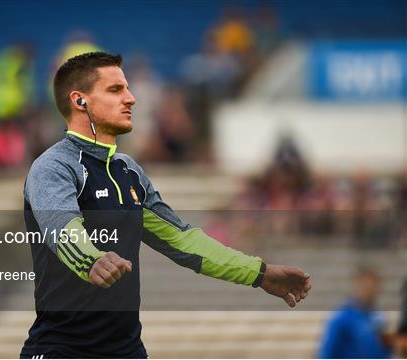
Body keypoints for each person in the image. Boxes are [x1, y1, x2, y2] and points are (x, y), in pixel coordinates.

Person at [21, 52, 312, 358]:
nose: (131, 99)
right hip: (61, 350)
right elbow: (62, 230)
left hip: (127, 351)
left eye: (128, 88)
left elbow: (183, 239)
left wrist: (259, 273)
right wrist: (91, 260)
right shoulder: (53, 167)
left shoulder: (128, 171)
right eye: (116, 89)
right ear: (80, 101)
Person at [318, 267, 392, 358]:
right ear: (357, 284)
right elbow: (327, 353)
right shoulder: (341, 318)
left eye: (373, 285)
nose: (370, 289)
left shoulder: (379, 318)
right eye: (366, 285)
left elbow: (386, 351)